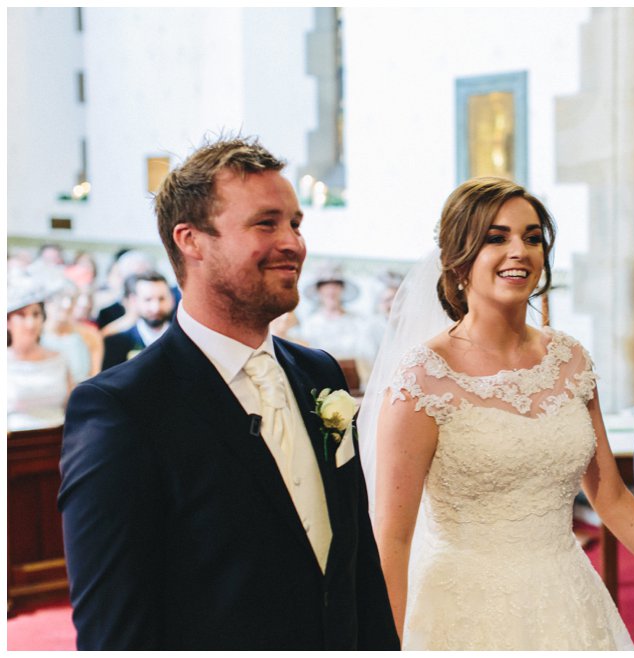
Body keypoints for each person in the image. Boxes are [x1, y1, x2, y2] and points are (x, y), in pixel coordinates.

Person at [367, 177, 634, 650]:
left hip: (568, 598)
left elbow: (613, 498)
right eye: (496, 238)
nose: (520, 250)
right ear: (458, 259)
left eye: (532, 237)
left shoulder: (568, 359)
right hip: (463, 612)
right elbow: (392, 540)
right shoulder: (422, 378)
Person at [59, 137, 397, 649]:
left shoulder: (318, 374)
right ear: (191, 240)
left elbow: (357, 564)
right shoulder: (123, 409)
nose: (293, 243)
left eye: (296, 223)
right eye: (266, 224)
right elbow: (113, 630)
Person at [291, 264, 383, 378]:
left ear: (342, 289)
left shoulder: (358, 322)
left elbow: (369, 354)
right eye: (326, 287)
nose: (331, 291)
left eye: (335, 286)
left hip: (356, 382)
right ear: (319, 291)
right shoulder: (310, 325)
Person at [10, 278, 73, 430]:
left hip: (57, 440)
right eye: (21, 315)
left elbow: (72, 405)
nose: (30, 324)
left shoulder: (59, 358)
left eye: (36, 314)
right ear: (7, 321)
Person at [99, 271, 174, 371]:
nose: (155, 308)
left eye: (161, 299)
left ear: (172, 299)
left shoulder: (184, 339)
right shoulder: (116, 343)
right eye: (148, 299)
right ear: (134, 301)